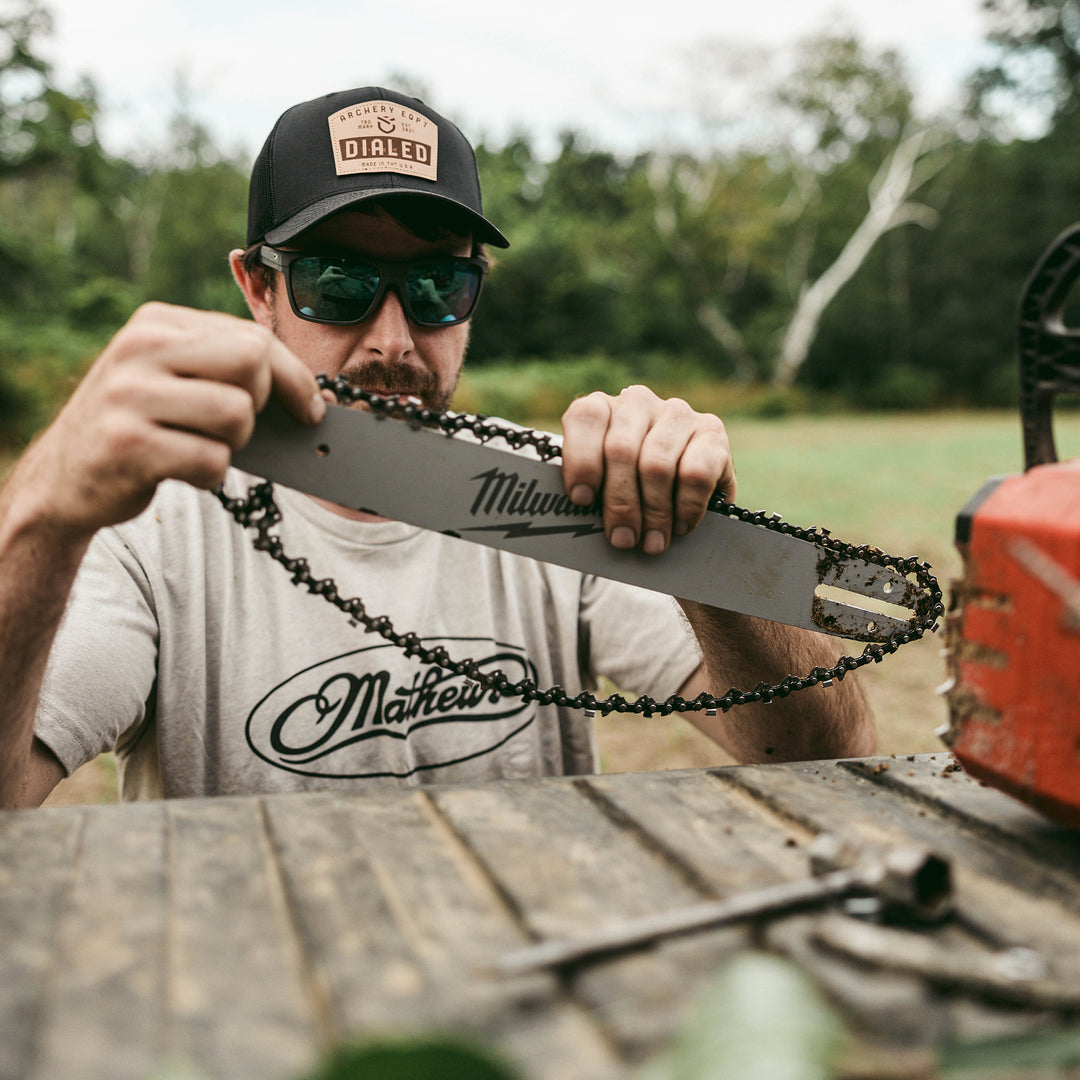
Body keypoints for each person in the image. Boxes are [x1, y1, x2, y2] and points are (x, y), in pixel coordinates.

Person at [0, 87, 874, 807]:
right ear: (257, 286)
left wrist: (711, 551)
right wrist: (38, 516)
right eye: (337, 281)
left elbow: (830, 767)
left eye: (436, 285)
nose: (392, 339)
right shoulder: (152, 525)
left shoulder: (557, 493)